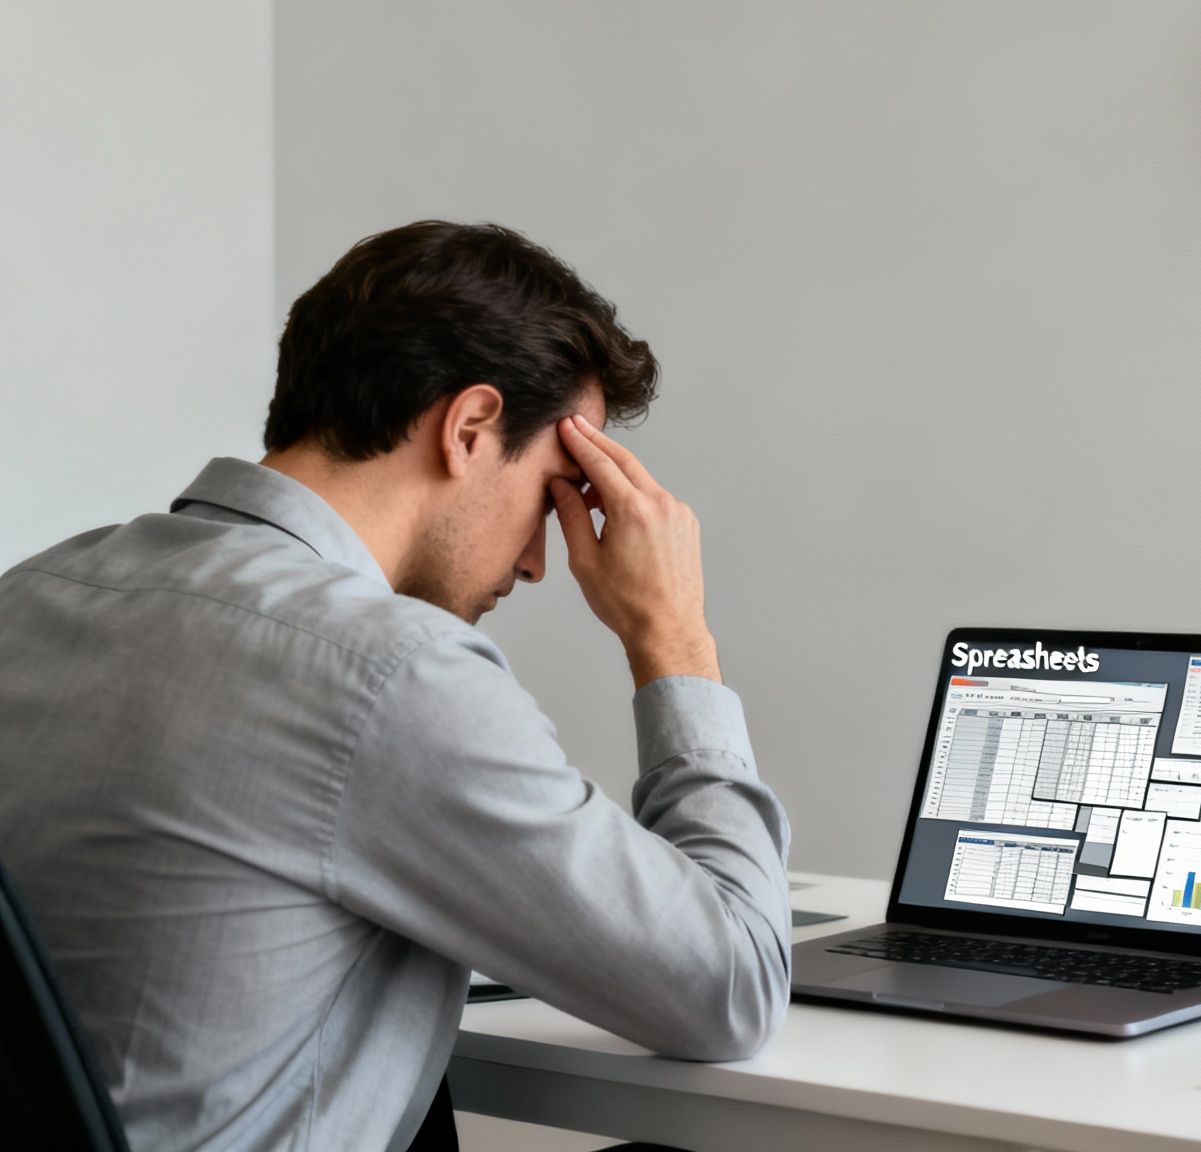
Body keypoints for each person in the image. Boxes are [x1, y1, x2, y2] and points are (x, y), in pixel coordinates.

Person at [0, 221, 790, 1151]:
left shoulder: (33, 594)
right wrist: (674, 637)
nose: (541, 562)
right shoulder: (383, 671)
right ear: (468, 428)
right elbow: (730, 986)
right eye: (553, 494)